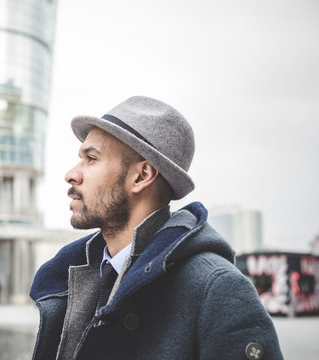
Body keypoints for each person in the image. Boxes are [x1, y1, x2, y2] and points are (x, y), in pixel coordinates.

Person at [29, 96, 283, 360]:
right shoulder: (73, 278)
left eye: (91, 158)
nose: (71, 174)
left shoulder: (217, 288)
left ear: (141, 176)